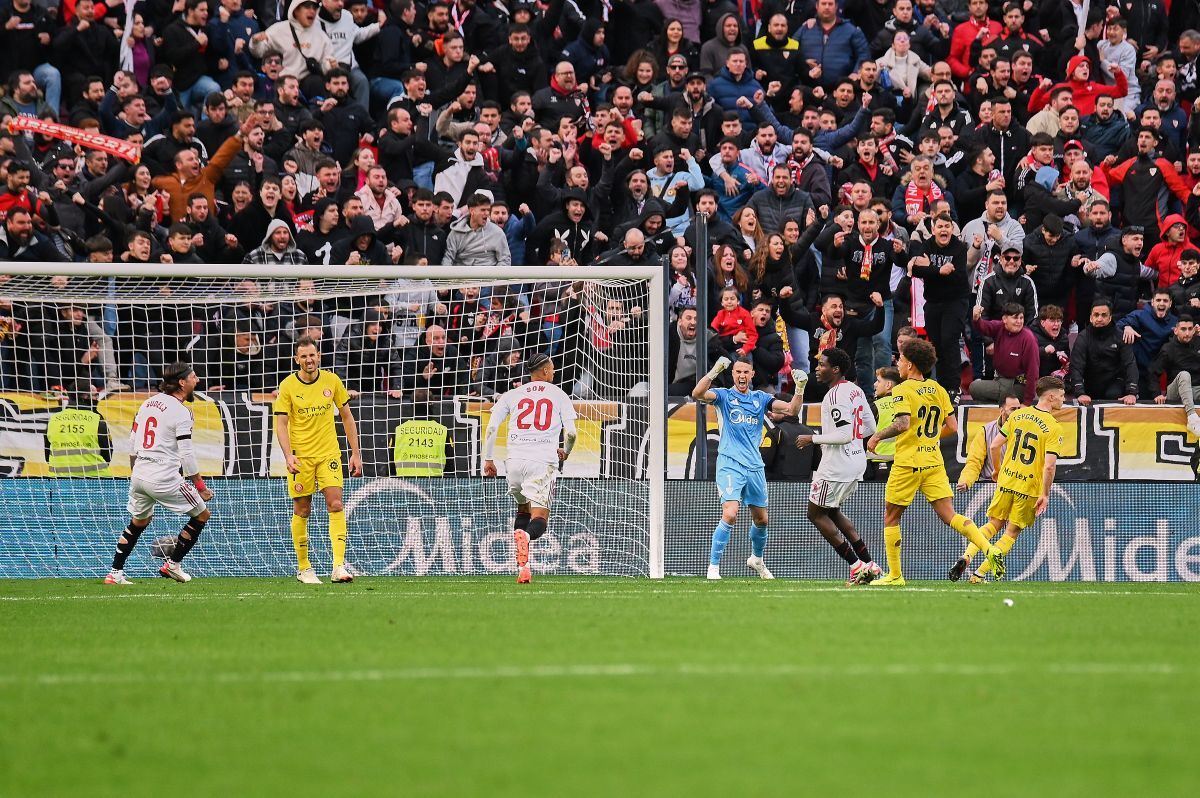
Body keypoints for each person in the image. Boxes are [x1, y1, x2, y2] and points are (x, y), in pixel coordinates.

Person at [866, 338, 1004, 586]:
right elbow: (952, 427)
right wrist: (928, 438)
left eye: (901, 359)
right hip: (933, 461)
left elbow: (902, 424)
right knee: (950, 515)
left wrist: (876, 436)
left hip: (908, 463)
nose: (898, 363)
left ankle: (895, 576)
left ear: (910, 364)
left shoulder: (902, 390)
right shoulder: (939, 390)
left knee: (891, 517)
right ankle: (988, 549)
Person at [691, 356, 804, 580]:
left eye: (746, 372)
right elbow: (697, 394)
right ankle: (713, 567)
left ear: (752, 375)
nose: (742, 376)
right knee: (730, 513)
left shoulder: (760, 398)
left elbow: (791, 410)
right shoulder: (724, 396)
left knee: (762, 519)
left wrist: (800, 388)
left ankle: (757, 559)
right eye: (738, 372)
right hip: (730, 463)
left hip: (754, 466)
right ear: (733, 374)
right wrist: (714, 370)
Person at [106, 362, 213, 585]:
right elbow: (187, 454)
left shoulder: (147, 404)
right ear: (182, 382)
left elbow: (133, 441)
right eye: (194, 377)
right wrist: (200, 487)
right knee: (202, 515)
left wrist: (136, 471)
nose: (198, 380)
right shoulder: (182, 411)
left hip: (139, 474)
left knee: (139, 522)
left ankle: (115, 573)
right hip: (164, 476)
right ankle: (172, 565)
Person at [951, 376, 1065, 584]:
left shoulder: (1018, 415)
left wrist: (997, 470)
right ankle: (978, 575)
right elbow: (1049, 466)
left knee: (993, 523)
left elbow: (994, 446)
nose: (1063, 400)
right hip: (1028, 486)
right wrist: (1045, 494)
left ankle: (966, 556)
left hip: (1006, 480)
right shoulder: (1053, 427)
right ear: (1050, 396)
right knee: (1011, 532)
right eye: (1061, 396)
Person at [273, 335, 363, 585]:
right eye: (303, 356)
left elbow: (346, 416)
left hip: (329, 454)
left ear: (318, 356)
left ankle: (338, 566)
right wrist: (288, 455)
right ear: (296, 359)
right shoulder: (288, 386)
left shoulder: (332, 381)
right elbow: (280, 423)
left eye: (312, 355)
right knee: (303, 509)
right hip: (301, 457)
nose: (308, 360)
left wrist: (355, 453)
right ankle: (304, 568)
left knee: (335, 504)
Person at [482, 353, 578, 584]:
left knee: (523, 509)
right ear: (545, 371)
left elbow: (492, 428)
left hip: (514, 461)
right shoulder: (559, 395)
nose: (553, 373)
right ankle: (525, 535)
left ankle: (523, 568)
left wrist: (488, 459)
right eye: (552, 369)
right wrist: (566, 451)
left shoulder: (511, 395)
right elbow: (572, 433)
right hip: (541, 462)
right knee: (540, 518)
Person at [794, 349, 882, 586]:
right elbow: (871, 427)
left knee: (815, 514)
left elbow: (843, 435)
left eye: (821, 364)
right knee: (831, 511)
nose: (817, 368)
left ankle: (855, 566)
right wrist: (853, 439)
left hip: (836, 465)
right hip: (856, 461)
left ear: (835, 369)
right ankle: (869, 563)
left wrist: (811, 438)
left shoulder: (833, 396)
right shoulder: (855, 390)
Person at [44, 382, 112, 478]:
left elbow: (47, 457)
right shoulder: (97, 420)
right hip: (96, 482)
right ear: (85, 396)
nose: (97, 398)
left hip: (59, 483)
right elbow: (108, 455)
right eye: (95, 395)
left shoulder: (53, 420)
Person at [1150, 314, 1200, 438]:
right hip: (1176, 392)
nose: (1187, 333)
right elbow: (1153, 371)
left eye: (1190, 329)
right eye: (1183, 329)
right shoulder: (1168, 348)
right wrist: (1157, 393)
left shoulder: (1198, 343)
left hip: (1196, 390)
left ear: (1194, 330)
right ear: (1176, 330)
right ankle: (1192, 419)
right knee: (1184, 375)